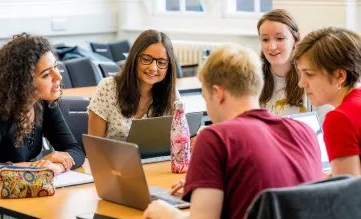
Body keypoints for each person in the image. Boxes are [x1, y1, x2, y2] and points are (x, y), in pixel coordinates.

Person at [143, 45, 323, 219]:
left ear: (218, 93)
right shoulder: (305, 131)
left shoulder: (215, 138)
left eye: (205, 98)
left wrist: (168, 214)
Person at [0, 33, 85, 187]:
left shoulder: (44, 103)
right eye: (46, 74)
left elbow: (75, 150)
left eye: (56, 67)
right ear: (24, 82)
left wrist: (56, 167)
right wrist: (35, 167)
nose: (58, 76)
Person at [293, 27, 361, 177]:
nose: (301, 83)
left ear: (340, 75)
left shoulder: (339, 119)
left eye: (309, 74)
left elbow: (348, 193)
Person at [88, 29, 180, 141]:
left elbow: (179, 137)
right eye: (146, 59)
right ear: (134, 58)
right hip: (113, 158)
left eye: (161, 63)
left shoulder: (171, 92)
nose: (153, 68)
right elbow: (94, 146)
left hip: (159, 159)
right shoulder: (108, 88)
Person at [257, 9, 332, 121]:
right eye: (265, 39)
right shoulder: (253, 80)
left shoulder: (314, 80)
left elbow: (325, 129)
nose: (272, 47)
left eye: (280, 38)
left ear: (295, 40)